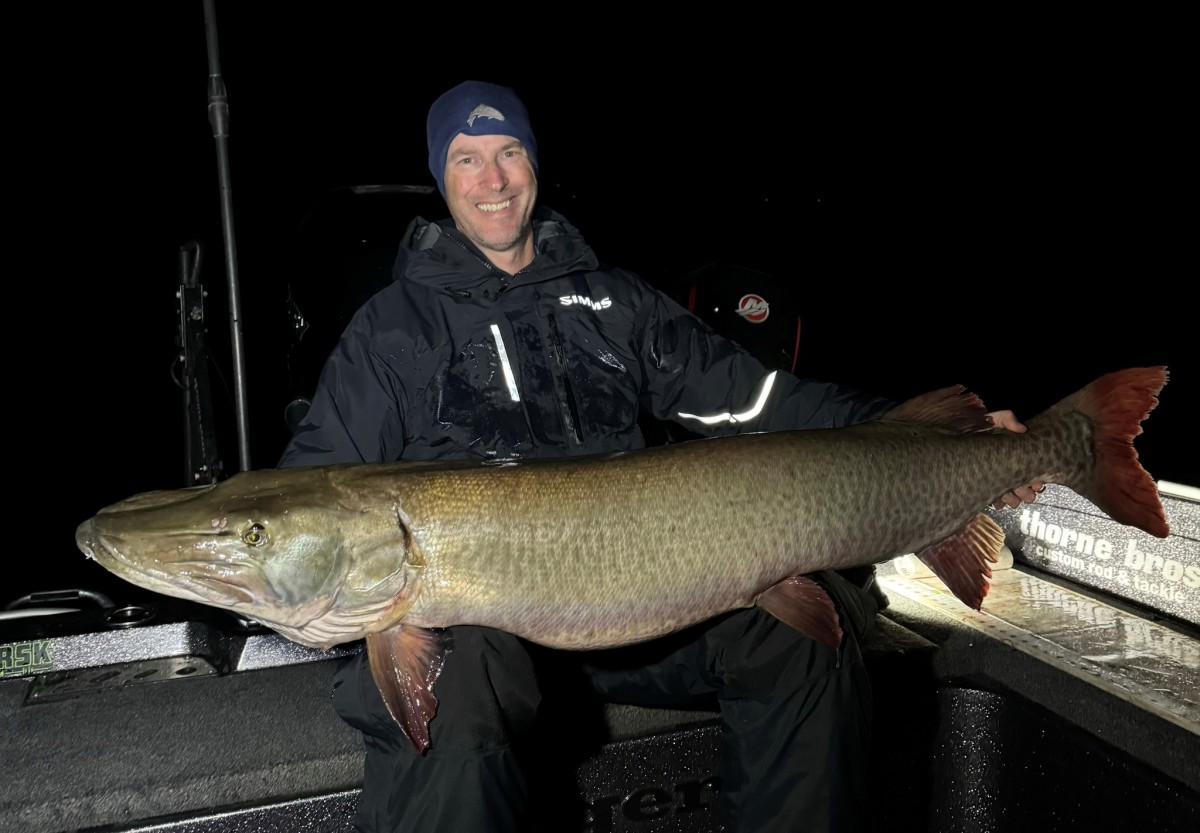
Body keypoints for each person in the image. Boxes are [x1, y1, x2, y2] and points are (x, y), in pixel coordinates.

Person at [278, 80, 1043, 833]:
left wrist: (924, 433)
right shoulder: (392, 329)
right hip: (492, 629)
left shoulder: (614, 301)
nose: (493, 180)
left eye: (508, 151)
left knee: (804, 634)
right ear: (440, 176)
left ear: (533, 162)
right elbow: (313, 494)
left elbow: (762, 403)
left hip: (635, 607)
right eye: (467, 159)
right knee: (457, 685)